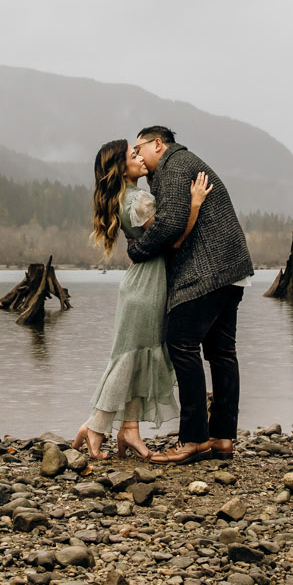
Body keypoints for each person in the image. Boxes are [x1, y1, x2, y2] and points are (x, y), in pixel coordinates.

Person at [75, 138, 212, 460]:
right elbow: (173, 240)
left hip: (147, 286)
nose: (139, 158)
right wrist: (193, 205)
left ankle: (129, 430)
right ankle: (94, 427)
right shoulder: (138, 201)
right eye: (132, 155)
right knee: (129, 360)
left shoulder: (129, 197)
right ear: (120, 168)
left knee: (137, 360)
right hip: (146, 288)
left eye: (138, 152)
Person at [125, 125, 253, 464]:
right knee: (222, 353)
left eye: (139, 149)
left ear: (157, 144)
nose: (138, 156)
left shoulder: (174, 165)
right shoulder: (183, 165)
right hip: (233, 269)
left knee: (181, 343)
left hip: (205, 273)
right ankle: (222, 437)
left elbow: (169, 224)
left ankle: (194, 439)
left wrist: (136, 250)